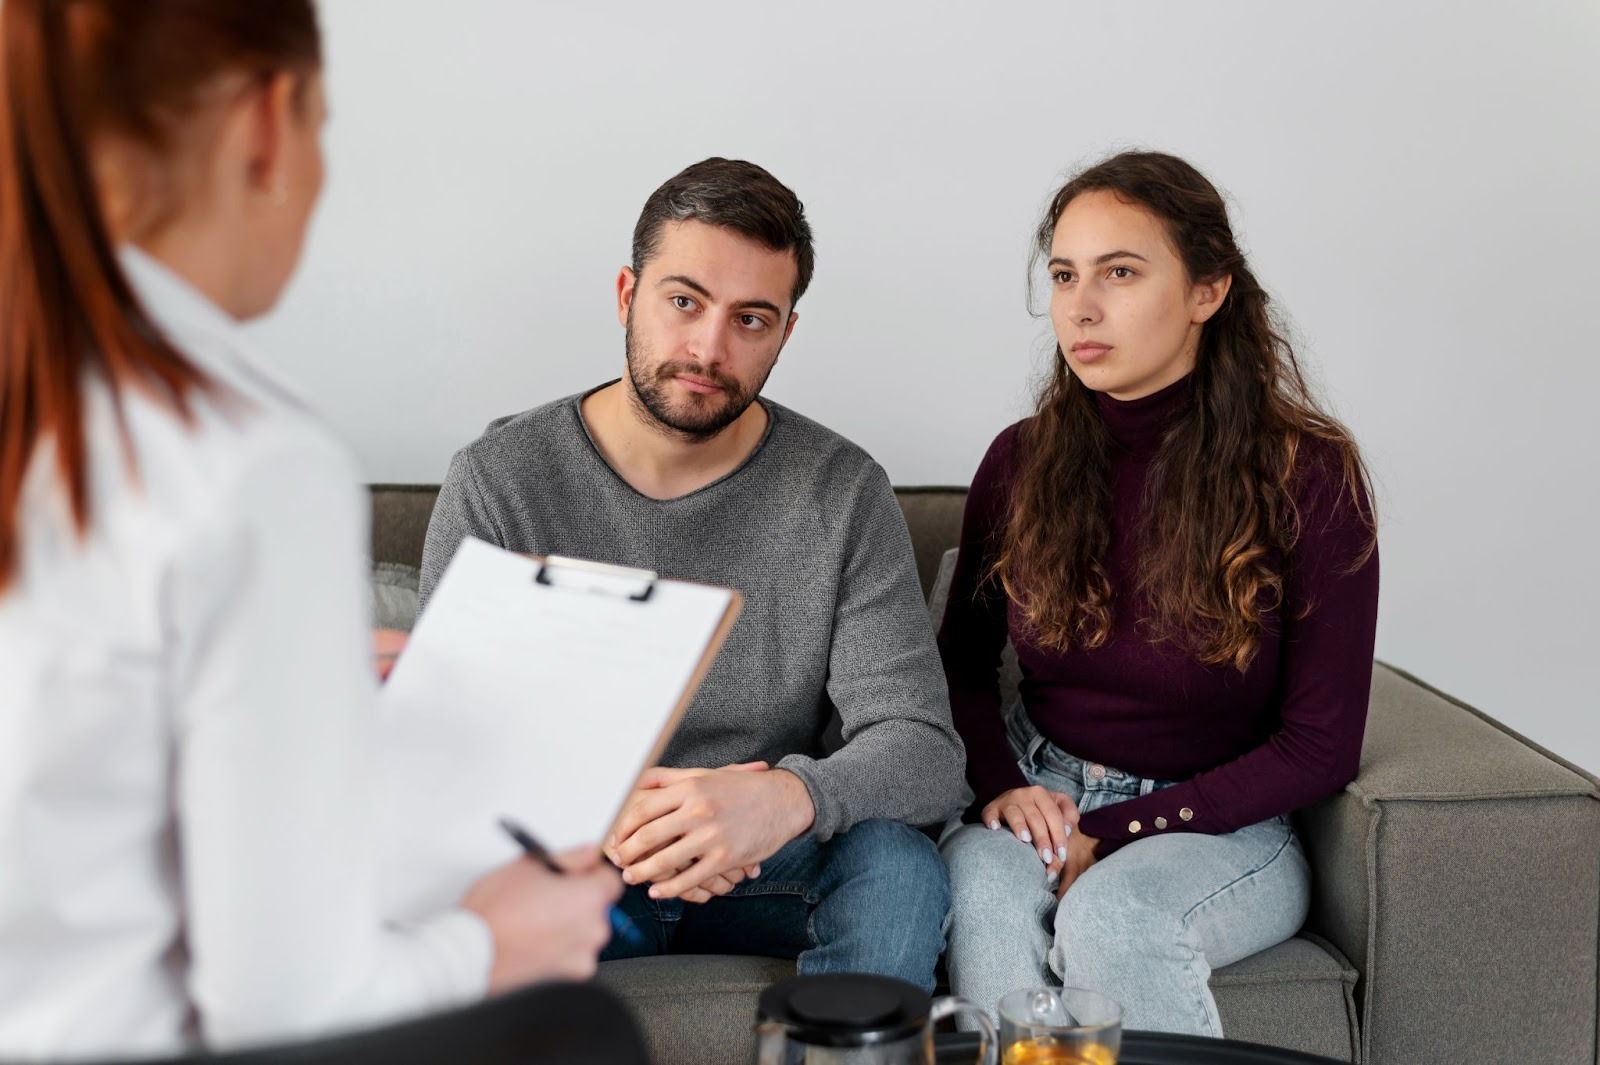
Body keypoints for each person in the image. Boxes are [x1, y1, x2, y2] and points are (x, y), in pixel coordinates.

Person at [0, 2, 618, 1057]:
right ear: (267, 121)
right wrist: (494, 941)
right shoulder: (243, 460)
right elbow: (285, 1010)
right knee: (580, 1028)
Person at [419, 157, 965, 992]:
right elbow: (449, 749)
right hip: (579, 862)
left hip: (770, 858)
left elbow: (924, 750)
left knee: (898, 864)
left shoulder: (842, 490)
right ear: (626, 295)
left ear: (785, 332)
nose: (709, 349)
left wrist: (786, 798)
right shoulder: (502, 479)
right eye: (684, 301)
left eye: (751, 318)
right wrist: (626, 817)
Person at [938, 151, 1379, 1034]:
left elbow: (1320, 747)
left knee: (1114, 915)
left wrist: (1132, 825)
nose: (1081, 306)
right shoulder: (1020, 460)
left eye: (1121, 273)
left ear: (1208, 290)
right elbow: (957, 665)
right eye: (1064, 275)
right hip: (1038, 786)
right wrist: (1000, 786)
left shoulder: (1309, 475)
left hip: (1218, 821)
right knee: (983, 901)